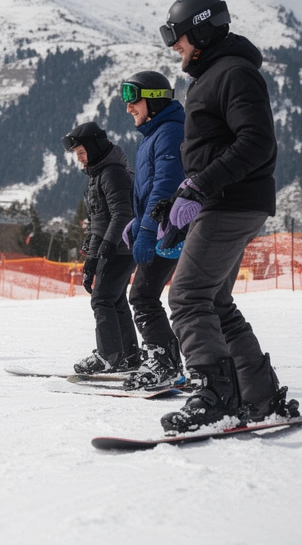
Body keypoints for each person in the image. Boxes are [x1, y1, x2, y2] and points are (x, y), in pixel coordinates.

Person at [150, 0, 298, 433]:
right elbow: (211, 152)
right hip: (225, 200)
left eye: (177, 37)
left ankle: (214, 397)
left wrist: (201, 186)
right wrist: (180, 196)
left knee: (187, 297)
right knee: (214, 301)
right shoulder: (211, 76)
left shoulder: (234, 73)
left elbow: (256, 143)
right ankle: (260, 396)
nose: (174, 47)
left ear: (200, 30)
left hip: (231, 202)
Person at [117, 72, 187, 390]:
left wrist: (147, 229)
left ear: (155, 99)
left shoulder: (169, 132)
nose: (128, 107)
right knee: (146, 296)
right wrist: (138, 221)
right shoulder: (155, 134)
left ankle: (165, 365)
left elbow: (166, 185)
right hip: (160, 226)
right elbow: (150, 190)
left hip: (167, 230)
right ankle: (165, 362)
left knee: (143, 296)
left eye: (133, 98)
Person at [63, 121, 137, 374]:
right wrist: (91, 260)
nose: (80, 159)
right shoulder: (99, 175)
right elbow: (98, 223)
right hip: (116, 246)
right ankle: (128, 355)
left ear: (94, 148)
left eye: (82, 152)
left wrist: (108, 244)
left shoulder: (112, 173)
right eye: (77, 154)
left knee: (102, 299)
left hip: (121, 247)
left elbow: (123, 214)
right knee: (115, 300)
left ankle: (109, 356)